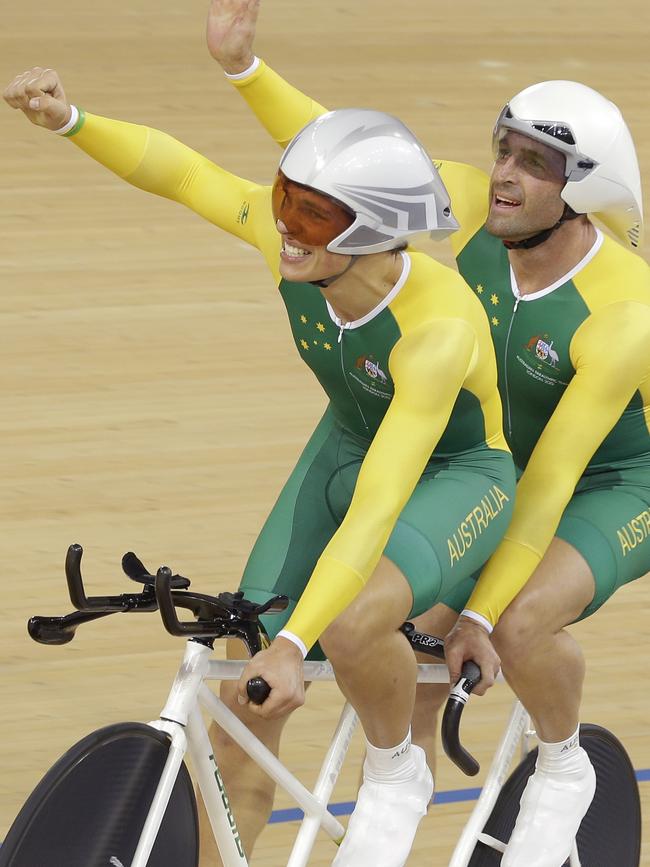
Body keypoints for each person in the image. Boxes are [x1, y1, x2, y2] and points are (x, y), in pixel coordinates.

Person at [3, 64, 516, 867]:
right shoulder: (302, 253)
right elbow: (185, 173)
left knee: (350, 623)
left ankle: (395, 769)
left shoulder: (438, 327)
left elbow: (381, 500)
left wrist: (298, 639)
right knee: (241, 715)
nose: (284, 225)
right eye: (285, 199)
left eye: (311, 213)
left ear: (372, 232)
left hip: (455, 475)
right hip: (345, 445)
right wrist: (72, 120)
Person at [204, 1, 650, 865]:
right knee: (396, 633)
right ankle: (392, 791)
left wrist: (481, 612)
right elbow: (351, 159)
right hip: (507, 468)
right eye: (504, 148)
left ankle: (564, 770)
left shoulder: (626, 313)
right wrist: (244, 70)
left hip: (612, 482)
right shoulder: (489, 211)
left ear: (584, 188)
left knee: (512, 626)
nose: (506, 173)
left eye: (536, 161)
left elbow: (553, 480)